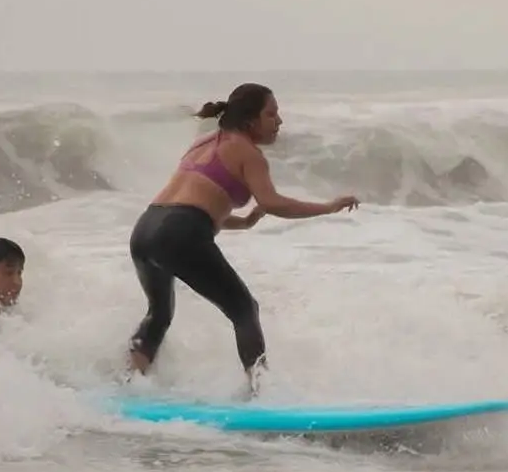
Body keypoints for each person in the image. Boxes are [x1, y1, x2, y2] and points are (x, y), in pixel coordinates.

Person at [127, 83, 358, 389]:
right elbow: (271, 203)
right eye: (271, 114)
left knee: (159, 314)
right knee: (244, 310)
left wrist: (246, 222)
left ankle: (129, 382)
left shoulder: (205, 142)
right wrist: (327, 207)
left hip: (146, 229)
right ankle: (261, 394)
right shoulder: (249, 154)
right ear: (251, 121)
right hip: (180, 231)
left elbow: (194, 209)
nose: (279, 121)